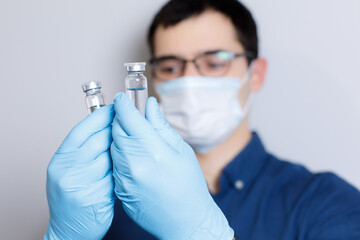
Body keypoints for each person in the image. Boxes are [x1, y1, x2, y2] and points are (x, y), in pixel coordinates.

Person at [44, 0, 360, 239]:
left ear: (256, 74)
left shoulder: (325, 203)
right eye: (170, 67)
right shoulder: (109, 205)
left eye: (213, 62)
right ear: (152, 78)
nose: (189, 80)